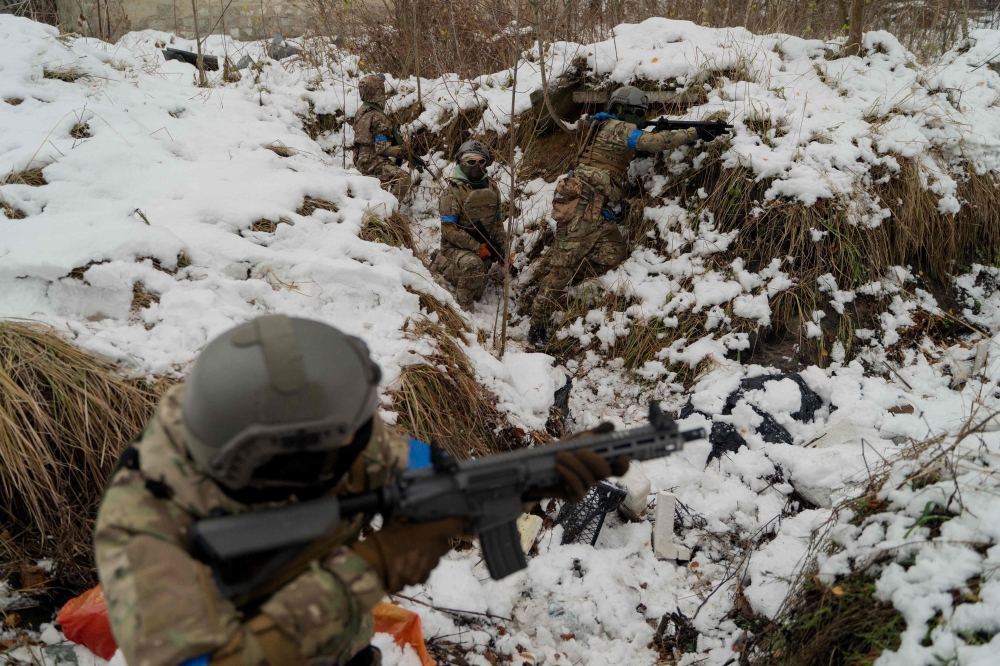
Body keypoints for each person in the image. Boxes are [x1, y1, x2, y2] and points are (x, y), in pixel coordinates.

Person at [94, 314, 617, 666]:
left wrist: (530, 478)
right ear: (283, 461)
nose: (367, 441)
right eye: (346, 438)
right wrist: (370, 569)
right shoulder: (146, 530)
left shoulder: (313, 423)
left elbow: (422, 474)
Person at [527, 86, 703, 349]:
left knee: (614, 254)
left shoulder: (603, 126)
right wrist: (692, 133)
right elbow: (652, 144)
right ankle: (537, 325)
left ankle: (562, 285)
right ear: (627, 111)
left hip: (595, 207)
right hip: (582, 207)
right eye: (639, 114)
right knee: (561, 268)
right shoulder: (616, 127)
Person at [430, 140, 507, 309]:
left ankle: (458, 270)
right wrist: (477, 248)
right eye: (471, 162)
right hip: (455, 247)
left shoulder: (492, 188)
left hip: (484, 245)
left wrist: (502, 248)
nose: (477, 166)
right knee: (473, 267)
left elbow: (498, 221)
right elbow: (449, 231)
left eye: (481, 161)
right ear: (461, 163)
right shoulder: (453, 192)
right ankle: (463, 306)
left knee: (478, 287)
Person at [352, 74, 412, 202]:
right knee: (403, 178)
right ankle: (390, 209)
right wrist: (404, 152)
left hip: (359, 159)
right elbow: (382, 149)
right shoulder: (378, 116)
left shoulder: (362, 111)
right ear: (378, 91)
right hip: (371, 162)